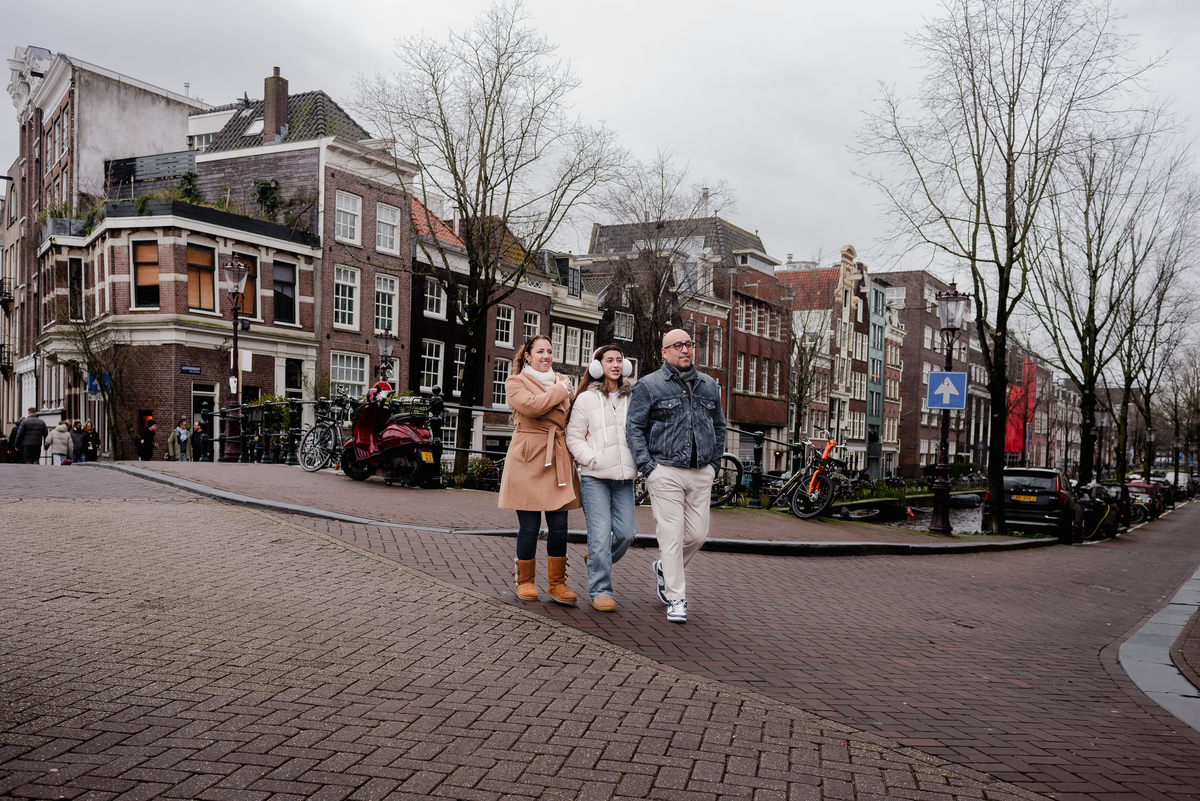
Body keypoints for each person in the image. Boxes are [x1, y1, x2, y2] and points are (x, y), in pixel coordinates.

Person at [626, 328, 727, 624]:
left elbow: (719, 427)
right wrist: (649, 468)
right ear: (664, 352)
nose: (685, 349)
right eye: (678, 345)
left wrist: (715, 466)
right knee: (671, 536)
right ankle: (676, 597)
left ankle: (664, 569)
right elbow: (634, 428)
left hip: (701, 471)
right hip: (665, 470)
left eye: (689, 344)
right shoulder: (648, 386)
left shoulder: (709, 385)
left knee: (697, 535)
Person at [497, 334, 582, 605]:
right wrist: (561, 390)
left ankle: (557, 584)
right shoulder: (515, 382)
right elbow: (532, 407)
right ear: (528, 356)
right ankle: (525, 581)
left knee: (559, 525)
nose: (546, 356)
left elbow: (568, 418)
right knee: (530, 526)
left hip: (556, 454)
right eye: (540, 351)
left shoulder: (562, 383)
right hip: (528, 457)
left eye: (550, 351)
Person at [566, 344, 638, 612]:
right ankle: (600, 590)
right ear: (598, 366)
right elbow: (573, 437)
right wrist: (591, 459)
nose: (616, 364)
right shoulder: (586, 399)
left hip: (624, 478)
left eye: (620, 360)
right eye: (610, 360)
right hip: (595, 477)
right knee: (598, 537)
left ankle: (597, 559)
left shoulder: (633, 398)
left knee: (627, 533)